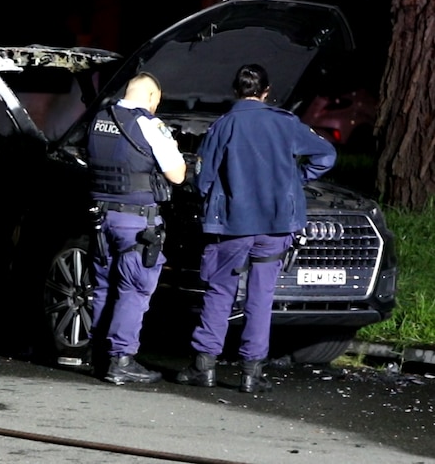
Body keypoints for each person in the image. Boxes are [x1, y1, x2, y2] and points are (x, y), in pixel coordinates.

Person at [175, 63, 336, 393]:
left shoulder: (224, 125)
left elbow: (203, 179)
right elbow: (326, 155)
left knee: (220, 293)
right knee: (261, 297)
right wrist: (296, 180)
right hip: (276, 225)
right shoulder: (286, 123)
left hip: (232, 224)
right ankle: (252, 373)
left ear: (236, 91)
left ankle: (204, 366)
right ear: (266, 92)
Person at [87, 71, 187, 385]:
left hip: (101, 220)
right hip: (136, 222)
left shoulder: (97, 119)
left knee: (104, 287)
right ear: (151, 97)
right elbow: (177, 175)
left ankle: (100, 357)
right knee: (134, 290)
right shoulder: (149, 125)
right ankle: (122, 360)